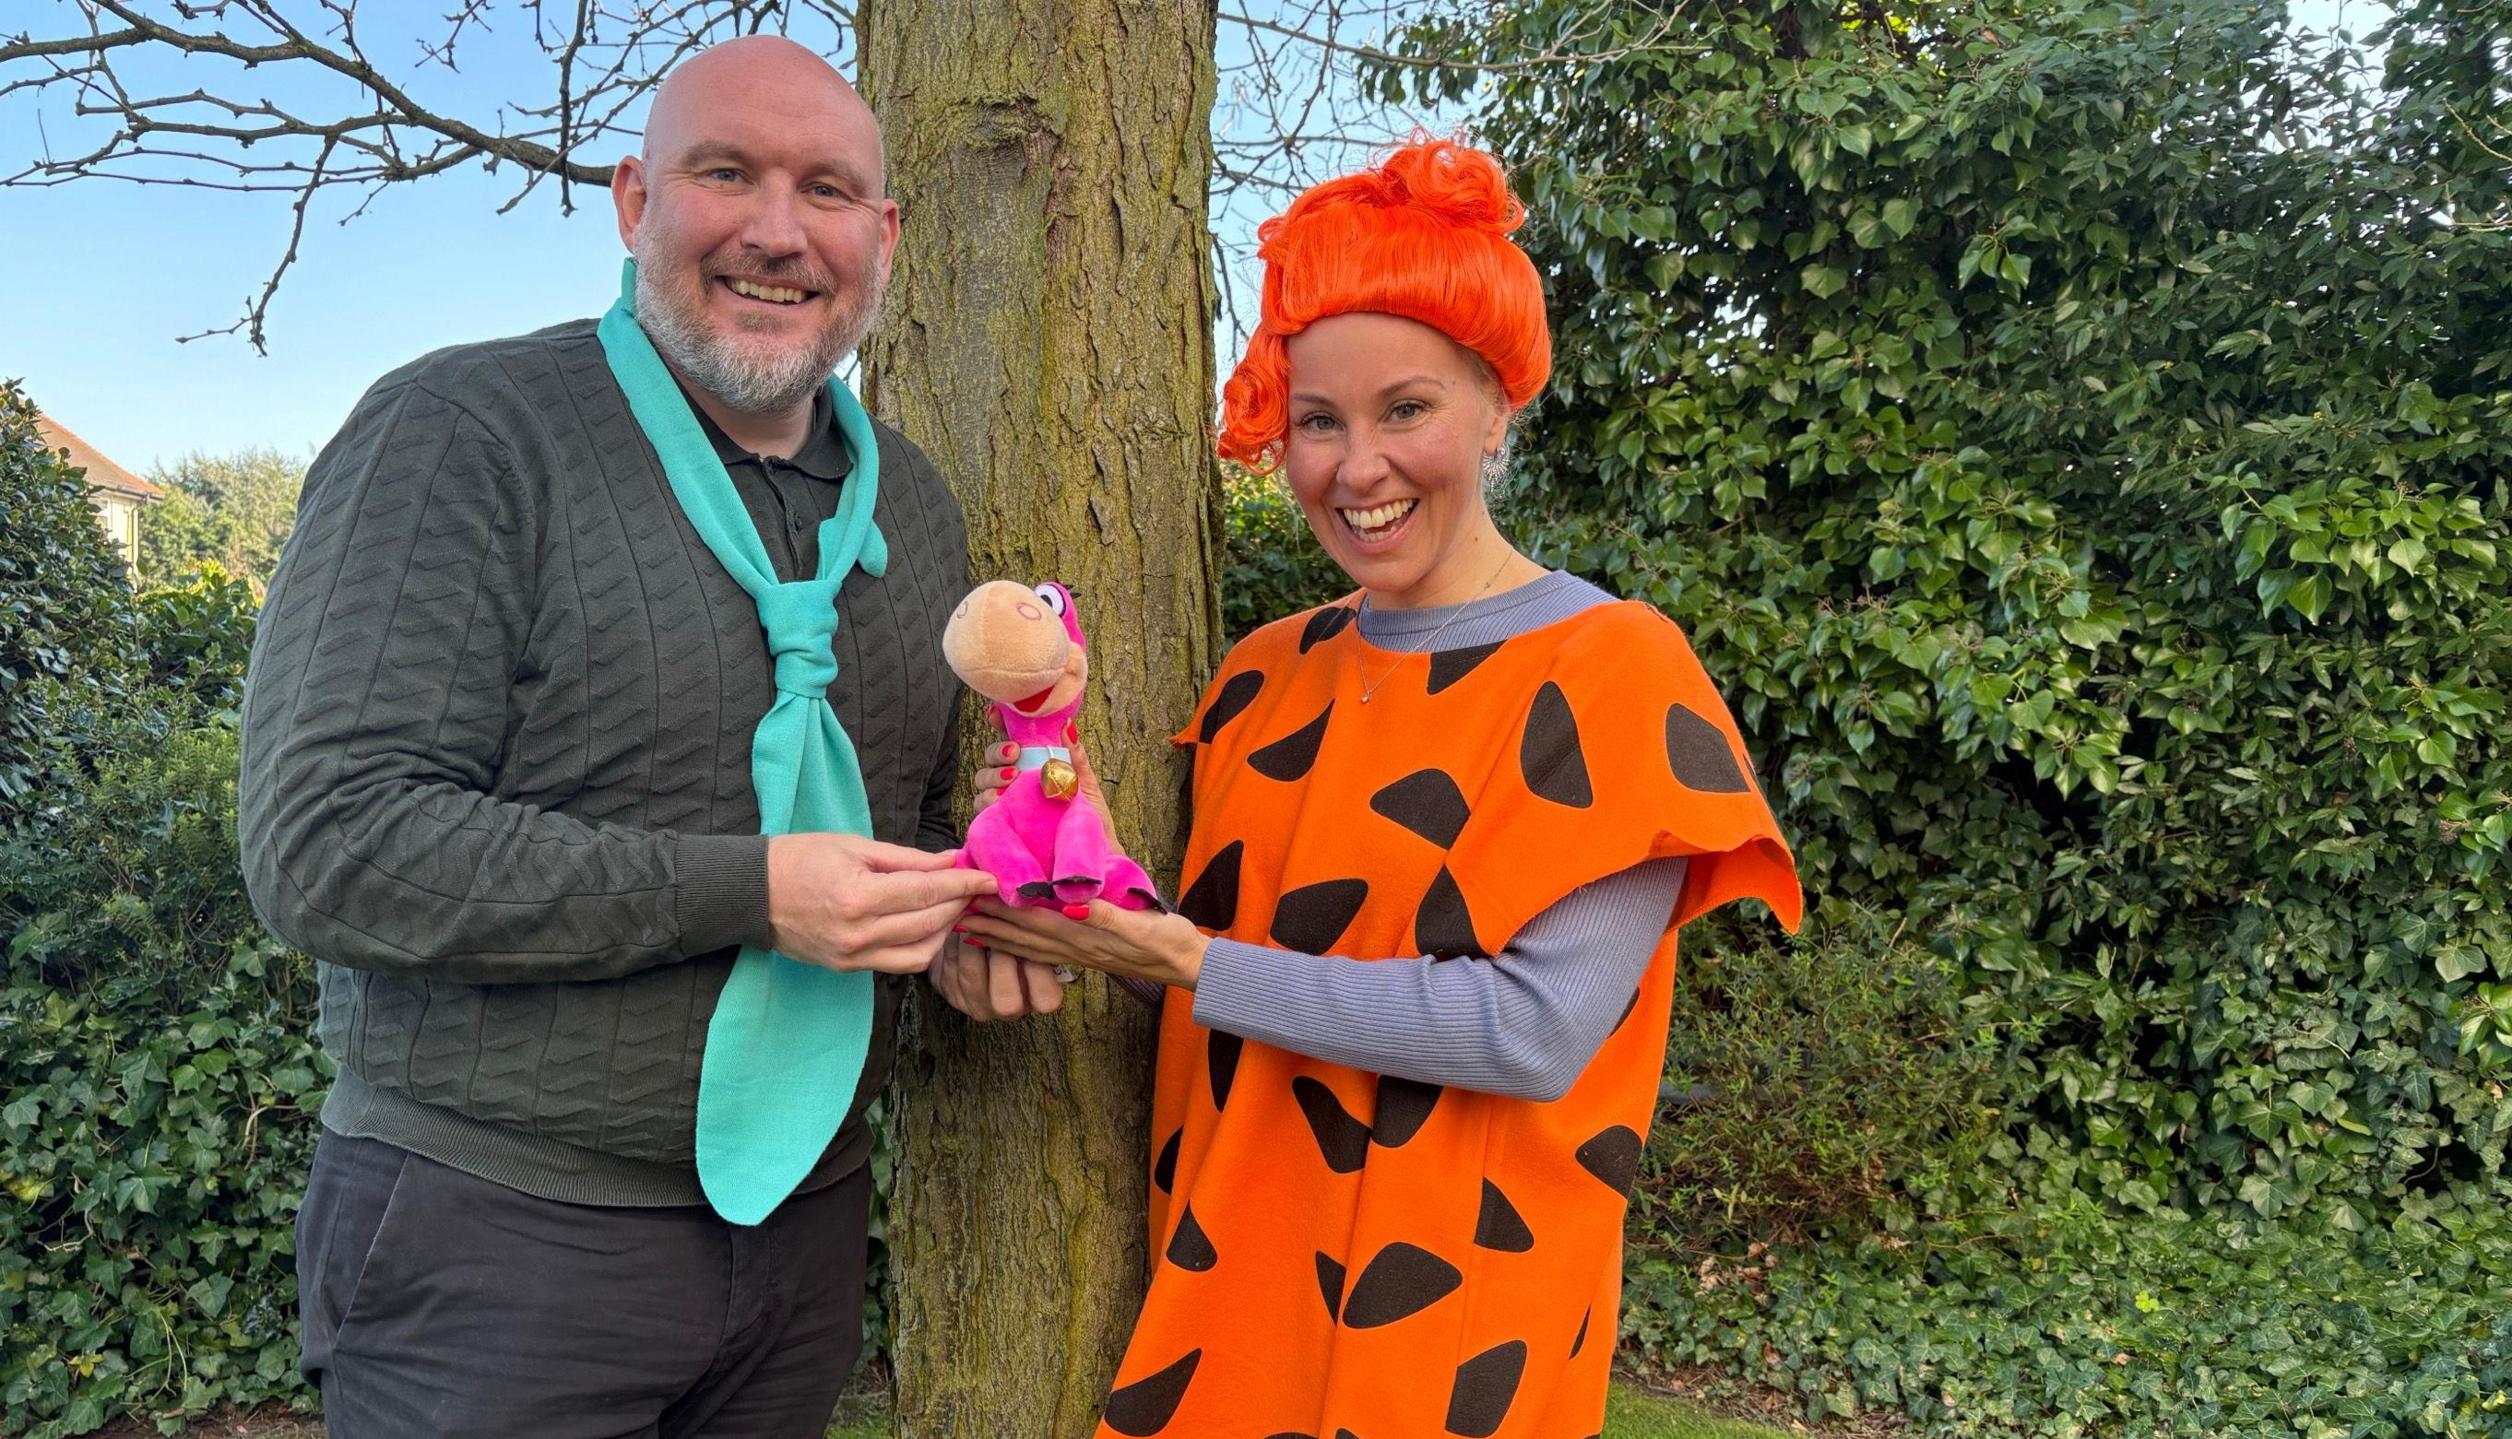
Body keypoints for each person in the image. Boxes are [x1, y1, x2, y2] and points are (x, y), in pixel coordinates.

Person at [943, 138, 1804, 1438]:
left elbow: (1533, 1032)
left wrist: (1177, 957)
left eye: (1406, 410)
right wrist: (1076, 884)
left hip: (1455, 1339)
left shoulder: (1613, 671)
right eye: (1318, 423)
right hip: (1226, 1304)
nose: (1355, 468)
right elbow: (1212, 973)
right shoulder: (1260, 676)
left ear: (1496, 410)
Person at [236, 35, 992, 1439]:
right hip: (498, 1247)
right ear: (635, 202)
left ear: (880, 237)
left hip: (805, 1246)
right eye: (727, 174)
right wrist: (754, 892)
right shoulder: (463, 433)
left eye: (827, 191)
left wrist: (971, 920)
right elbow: (328, 847)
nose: (778, 231)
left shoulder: (919, 508)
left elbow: (919, 820)